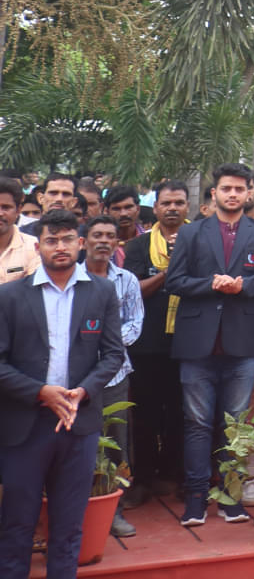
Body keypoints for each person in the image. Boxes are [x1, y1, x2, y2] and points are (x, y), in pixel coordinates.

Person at [0, 211, 125, 579]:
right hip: (25, 424)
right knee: (17, 524)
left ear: (80, 243)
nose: (60, 247)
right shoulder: (9, 296)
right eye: (52, 241)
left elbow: (114, 353)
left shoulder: (102, 291)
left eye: (68, 239)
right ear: (38, 247)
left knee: (69, 525)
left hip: (78, 422)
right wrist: (41, 392)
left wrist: (83, 391)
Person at [166, 163, 254, 526]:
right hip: (197, 343)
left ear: (250, 193)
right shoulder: (192, 233)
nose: (232, 194)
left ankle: (231, 499)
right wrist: (215, 284)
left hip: (242, 343)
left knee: (236, 425)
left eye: (239, 189)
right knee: (197, 423)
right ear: (213, 193)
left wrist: (243, 286)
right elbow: (175, 281)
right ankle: (197, 500)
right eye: (225, 188)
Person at [121, 179, 188, 505]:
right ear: (155, 207)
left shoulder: (200, 240)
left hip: (190, 341)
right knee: (145, 413)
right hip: (147, 344)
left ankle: (172, 474)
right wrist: (169, 272)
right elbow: (134, 290)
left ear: (187, 206)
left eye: (178, 202)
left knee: (181, 412)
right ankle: (143, 479)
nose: (172, 208)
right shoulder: (137, 246)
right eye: (166, 203)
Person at [81, 215, 143, 538]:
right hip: (74, 377)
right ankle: (78, 507)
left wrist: (105, 343)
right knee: (77, 443)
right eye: (97, 235)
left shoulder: (128, 281)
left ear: (117, 243)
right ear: (84, 241)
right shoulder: (71, 277)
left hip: (116, 374)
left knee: (117, 443)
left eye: (110, 236)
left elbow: (135, 324)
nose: (104, 241)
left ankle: (114, 509)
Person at [0, 176, 37, 286]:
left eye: (6, 207)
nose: (0, 213)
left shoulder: (33, 246)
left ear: (18, 210)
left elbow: (33, 292)